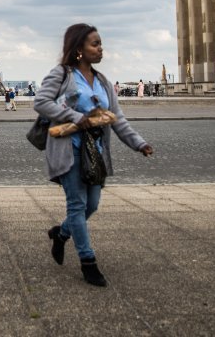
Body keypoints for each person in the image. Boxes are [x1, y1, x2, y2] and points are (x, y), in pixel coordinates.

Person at [34, 24, 153, 287]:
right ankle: (88, 262)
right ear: (78, 49)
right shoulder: (62, 75)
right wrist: (77, 117)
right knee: (77, 205)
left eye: (100, 43)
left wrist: (138, 143)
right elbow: (41, 102)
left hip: (94, 151)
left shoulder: (102, 82)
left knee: (92, 205)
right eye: (95, 44)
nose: (100, 48)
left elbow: (117, 118)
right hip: (69, 149)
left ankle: (61, 234)